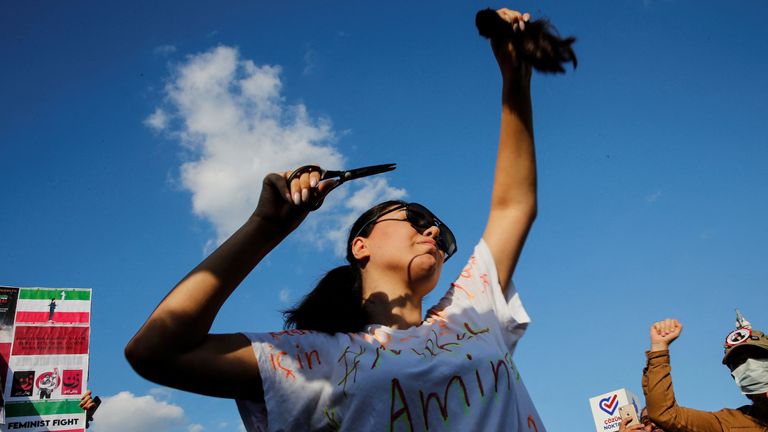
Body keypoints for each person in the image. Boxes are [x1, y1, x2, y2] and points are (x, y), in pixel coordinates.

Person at [125, 7, 575, 431]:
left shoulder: (470, 313)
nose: (433, 231)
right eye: (415, 219)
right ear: (360, 245)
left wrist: (515, 78)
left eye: (442, 234)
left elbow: (513, 205)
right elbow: (155, 351)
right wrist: (266, 226)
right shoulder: (307, 356)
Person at [642, 313, 768, 431]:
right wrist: (659, 348)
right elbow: (665, 413)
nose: (750, 366)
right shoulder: (731, 423)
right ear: (735, 376)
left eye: (757, 357)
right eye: (739, 363)